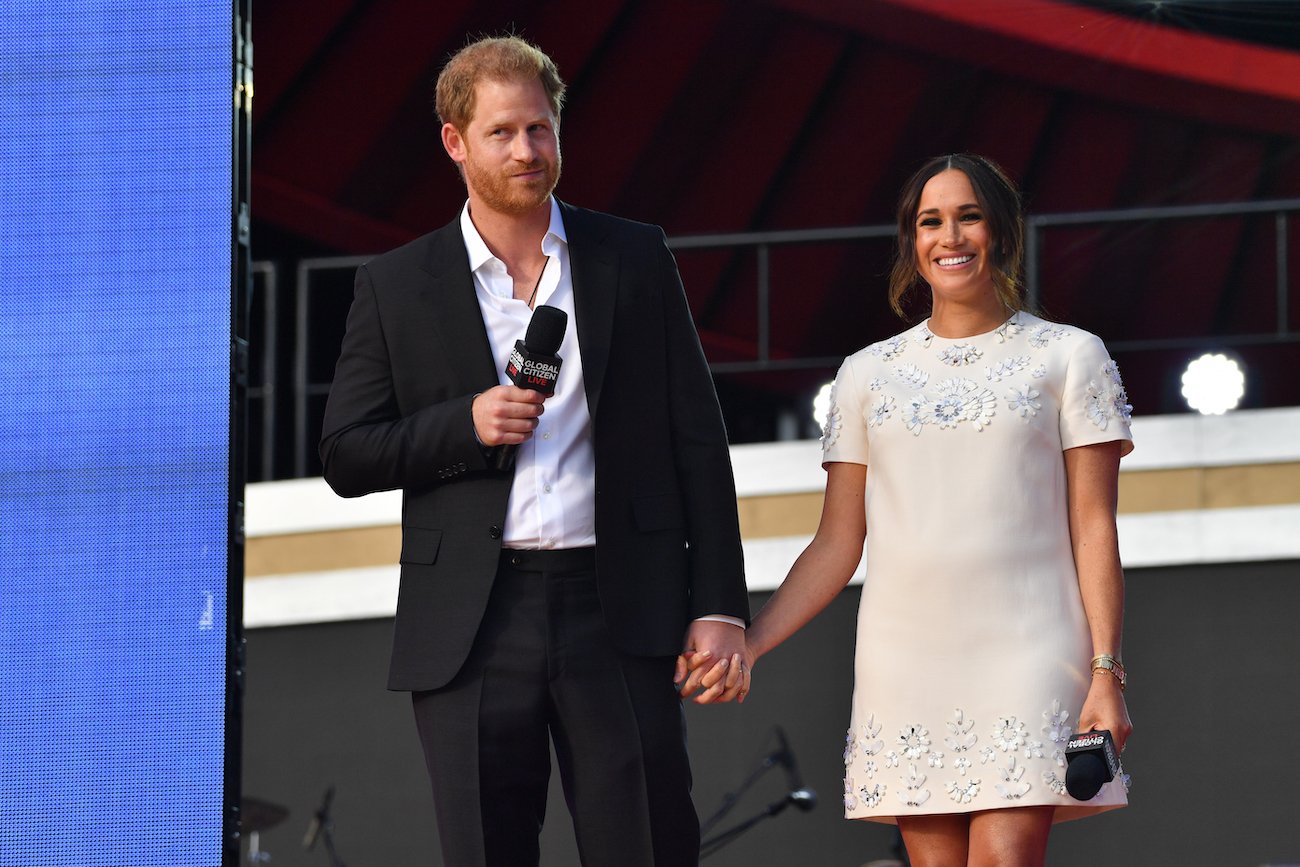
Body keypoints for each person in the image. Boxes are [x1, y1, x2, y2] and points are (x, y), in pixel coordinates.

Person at [319, 36, 749, 867]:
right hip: (473, 625)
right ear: (455, 141)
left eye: (541, 130)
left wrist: (720, 603)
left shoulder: (632, 256)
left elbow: (698, 438)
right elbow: (346, 452)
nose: (527, 151)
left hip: (621, 605)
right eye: (503, 132)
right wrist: (465, 423)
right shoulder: (397, 284)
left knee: (652, 847)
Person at [689, 153, 1134, 866]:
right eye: (931, 221)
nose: (949, 236)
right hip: (906, 663)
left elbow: (1094, 528)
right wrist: (752, 639)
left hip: (1030, 647)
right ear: (912, 240)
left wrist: (1107, 670)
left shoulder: (1070, 357)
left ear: (1002, 232)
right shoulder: (867, 374)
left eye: (969, 216)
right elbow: (837, 541)